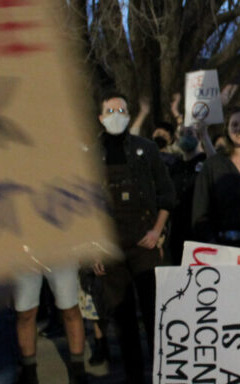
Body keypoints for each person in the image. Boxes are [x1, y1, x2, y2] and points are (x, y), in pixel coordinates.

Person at [95, 92, 175, 383]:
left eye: (122, 109)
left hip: (145, 244)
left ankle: (162, 373)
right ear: (101, 117)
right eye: (110, 109)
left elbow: (167, 195)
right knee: (123, 318)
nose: (117, 113)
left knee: (155, 314)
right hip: (109, 247)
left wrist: (157, 231)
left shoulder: (147, 149)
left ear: (129, 115)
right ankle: (134, 377)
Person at [192, 106, 240, 246]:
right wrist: (210, 243)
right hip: (222, 246)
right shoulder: (213, 165)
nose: (239, 129)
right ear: (227, 129)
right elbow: (200, 211)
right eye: (234, 125)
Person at [12, 263, 87, 384]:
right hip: (23, 252)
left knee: (69, 308)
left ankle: (78, 371)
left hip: (58, 251)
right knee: (24, 312)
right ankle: (29, 372)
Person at [166, 125, 207, 264]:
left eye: (190, 133)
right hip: (177, 230)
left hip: (199, 229)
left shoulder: (206, 162)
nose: (185, 136)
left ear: (199, 137)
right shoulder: (175, 167)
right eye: (182, 133)